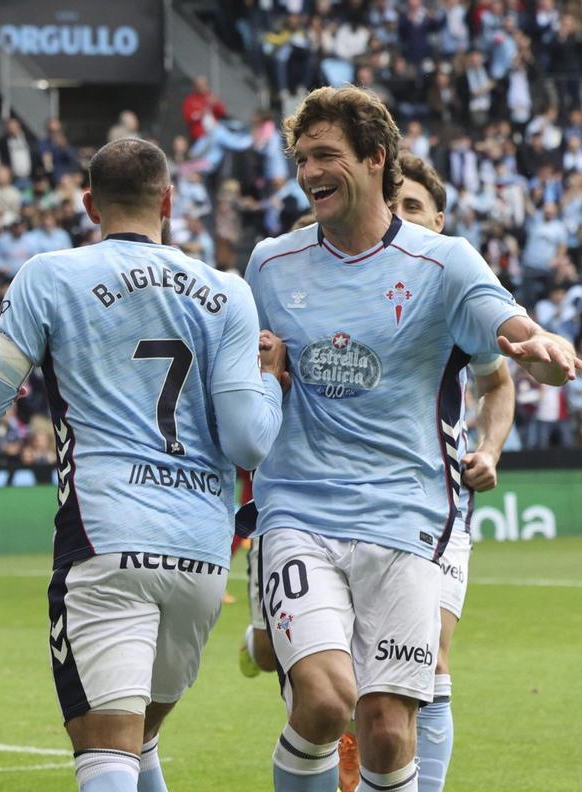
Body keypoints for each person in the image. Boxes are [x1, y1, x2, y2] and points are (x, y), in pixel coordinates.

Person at [243, 86, 578, 792]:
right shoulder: (270, 264)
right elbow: (254, 375)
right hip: (298, 511)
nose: (309, 172)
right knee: (326, 700)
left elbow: (512, 332)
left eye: (326, 155)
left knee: (390, 729)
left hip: (406, 516)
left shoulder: (445, 263)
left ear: (375, 158)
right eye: (302, 159)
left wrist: (542, 348)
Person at [0, 137, 288, 792]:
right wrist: (272, 384)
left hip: (106, 540)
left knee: (106, 751)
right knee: (141, 740)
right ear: (169, 201)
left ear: (89, 205)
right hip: (200, 556)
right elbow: (249, 443)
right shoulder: (228, 291)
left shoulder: (50, 276)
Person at [391, 152, 516, 792]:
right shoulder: (339, 285)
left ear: (438, 220)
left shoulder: (455, 292)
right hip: (346, 509)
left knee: (431, 659)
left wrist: (488, 450)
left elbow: (498, 384)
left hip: (441, 507)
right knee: (354, 684)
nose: (401, 216)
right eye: (392, 205)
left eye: (413, 206)